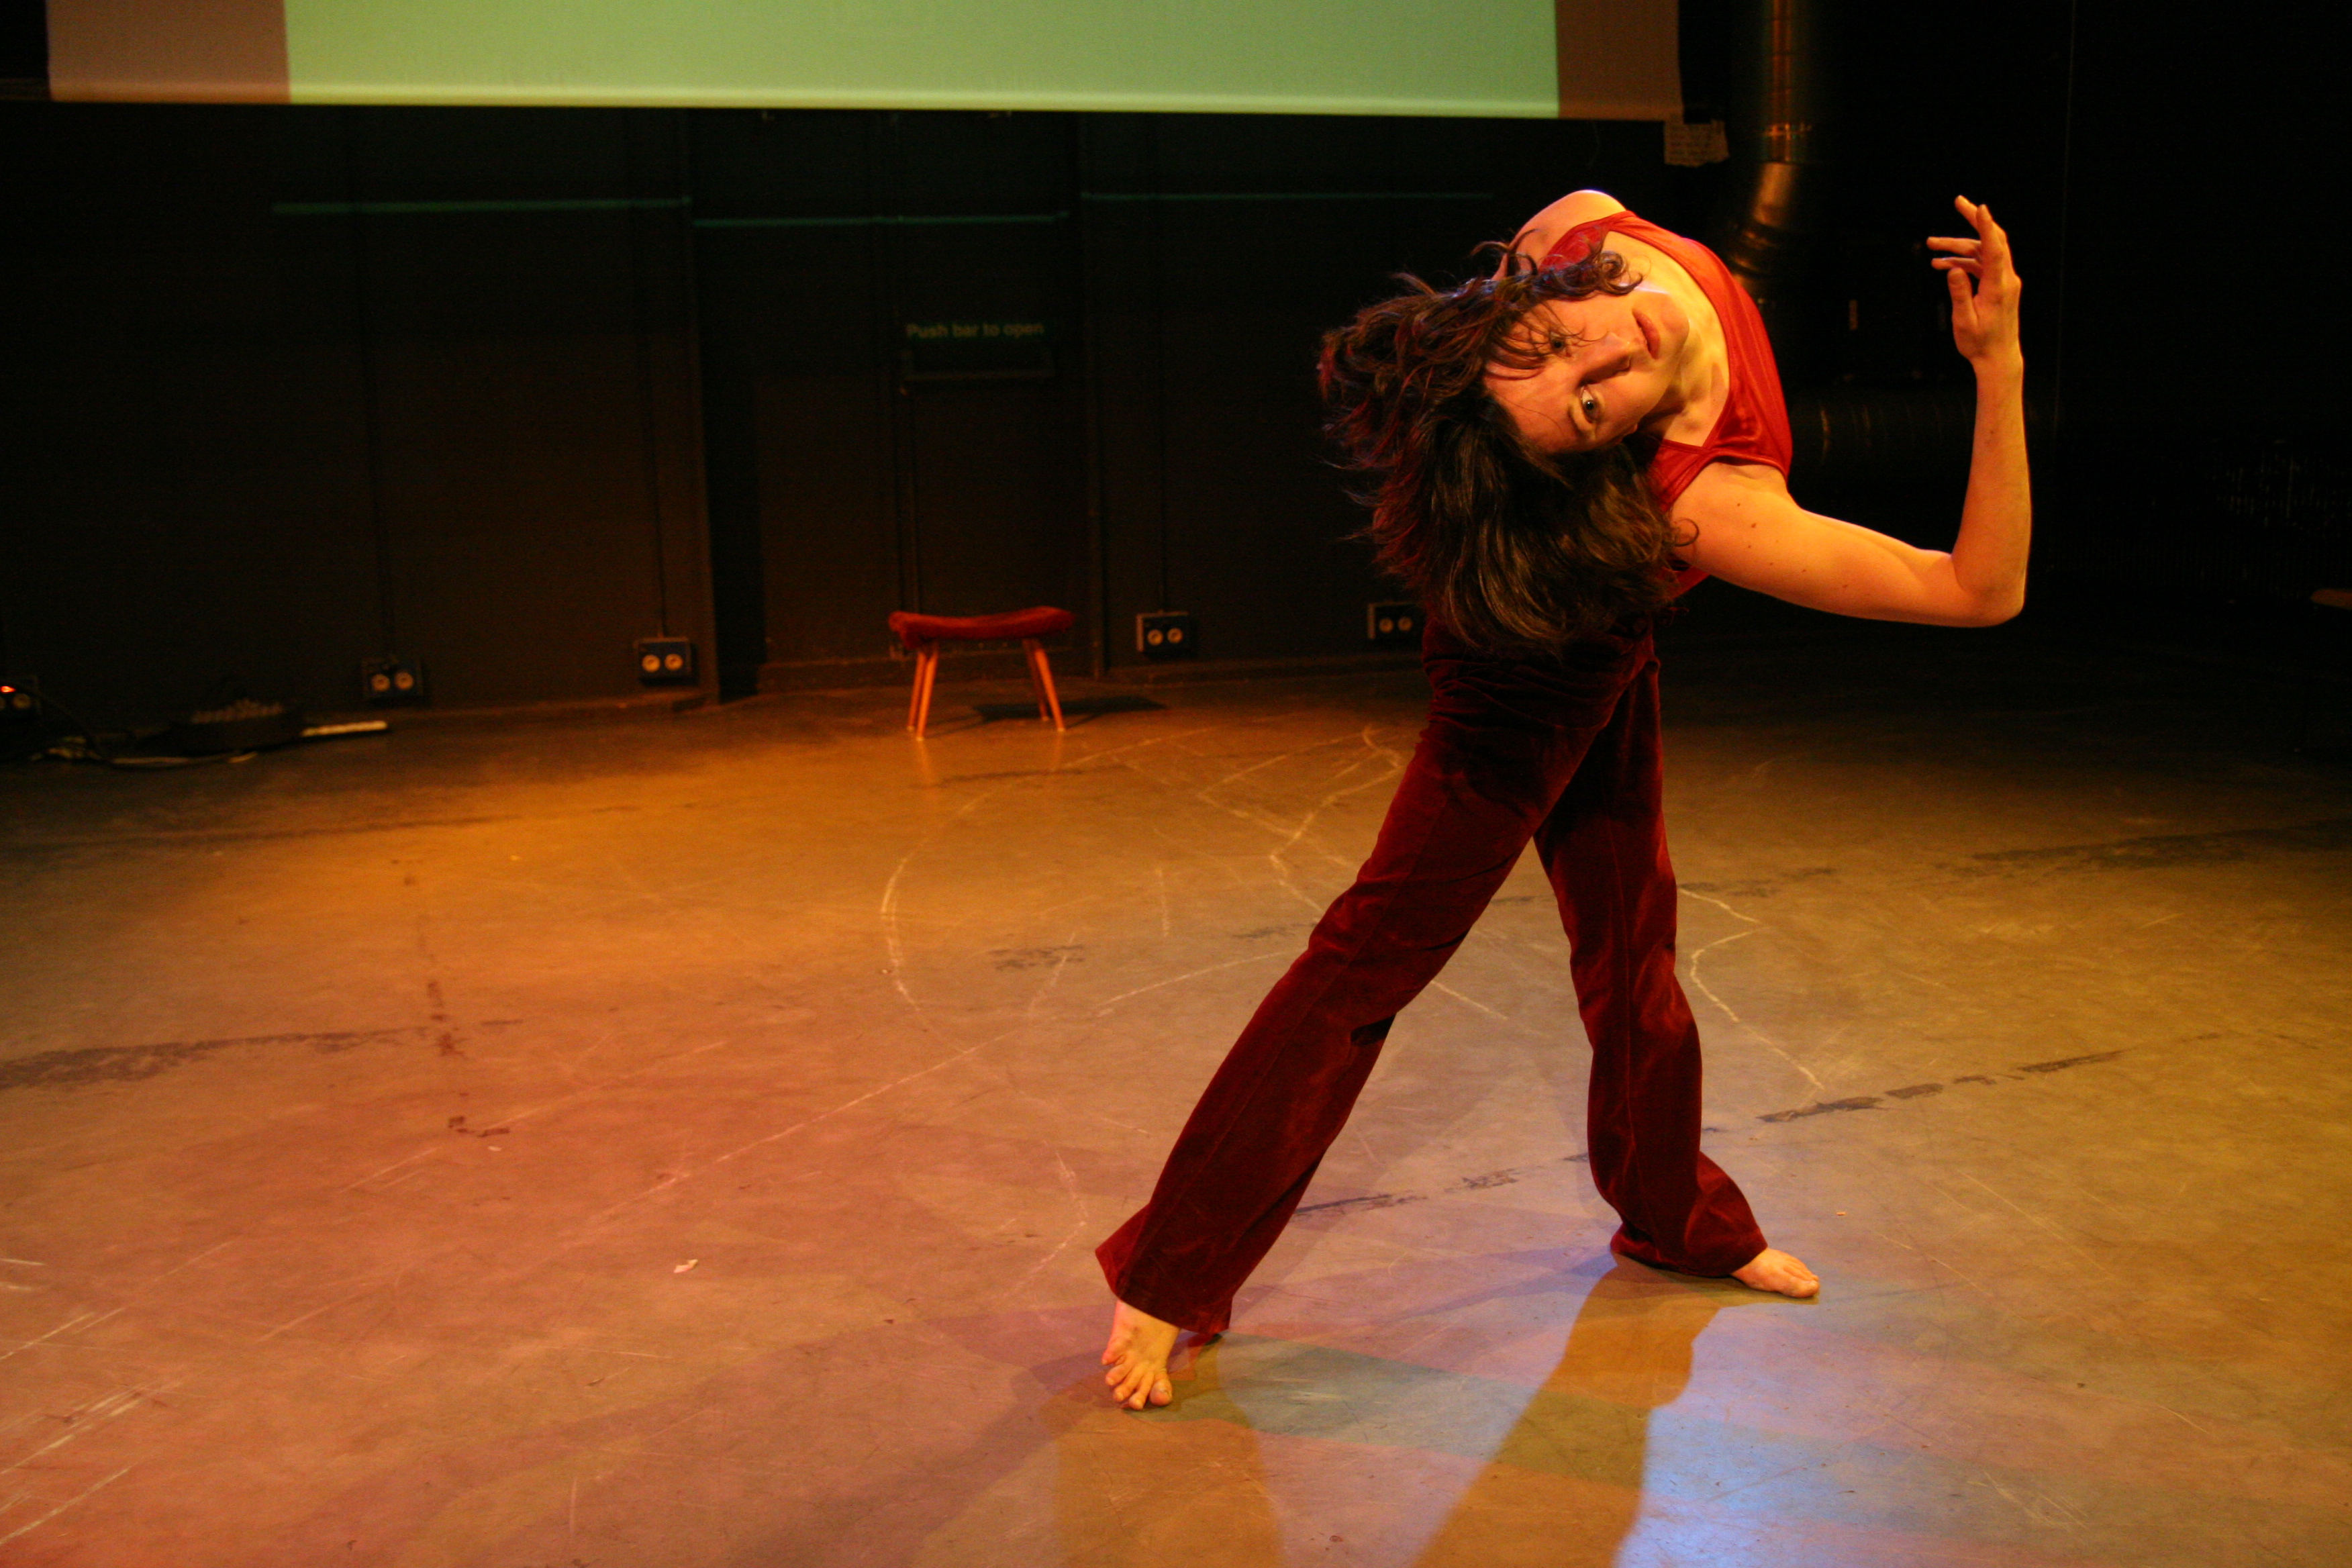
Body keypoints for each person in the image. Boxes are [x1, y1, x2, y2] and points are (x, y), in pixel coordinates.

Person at [1098, 191, 2027, 1410]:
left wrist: (1498, 367)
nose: (1611, 352)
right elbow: (1978, 590)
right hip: (1521, 673)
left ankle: (1673, 1219)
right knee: (1369, 960)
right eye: (1591, 409)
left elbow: (1512, 323)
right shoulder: (1707, 501)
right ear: (1602, 462)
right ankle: (1168, 1270)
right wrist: (2000, 369)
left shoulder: (1580, 236)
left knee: (1634, 940)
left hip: (1610, 619)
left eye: (1553, 343)